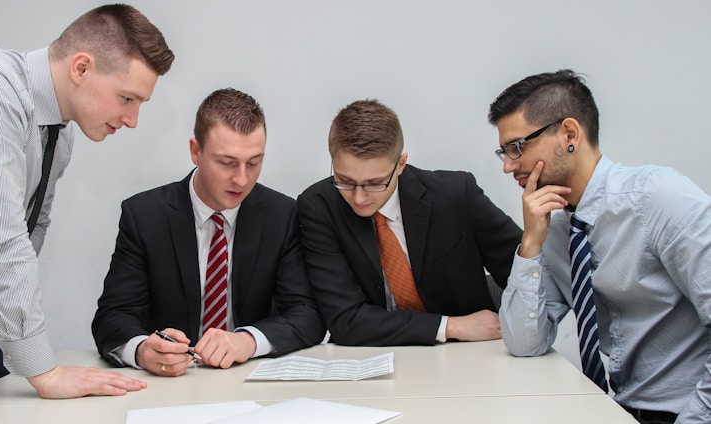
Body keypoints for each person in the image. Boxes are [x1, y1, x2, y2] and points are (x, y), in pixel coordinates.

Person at [0, 4, 175, 419]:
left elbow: (32, 225)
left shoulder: (58, 133)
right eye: (127, 98)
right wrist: (45, 372)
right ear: (81, 67)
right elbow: (0, 239)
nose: (133, 119)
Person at [489, 69, 711, 424]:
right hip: (617, 409)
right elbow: (523, 343)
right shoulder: (556, 226)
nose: (508, 165)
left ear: (570, 134)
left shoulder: (658, 198)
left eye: (517, 147)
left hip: (685, 410)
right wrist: (530, 242)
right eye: (504, 150)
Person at [92, 88, 325, 376]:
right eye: (226, 163)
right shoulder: (144, 216)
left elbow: (308, 315)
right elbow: (113, 317)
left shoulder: (282, 215)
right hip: (169, 386)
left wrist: (247, 341)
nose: (241, 179)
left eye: (253, 163)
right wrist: (143, 350)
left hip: (248, 380)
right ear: (195, 151)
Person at [296, 99, 522, 346]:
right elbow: (345, 321)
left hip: (470, 355)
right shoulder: (319, 206)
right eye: (344, 180)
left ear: (401, 164)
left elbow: (525, 276)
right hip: (372, 356)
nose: (359, 198)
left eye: (374, 183)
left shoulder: (456, 195)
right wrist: (451, 326)